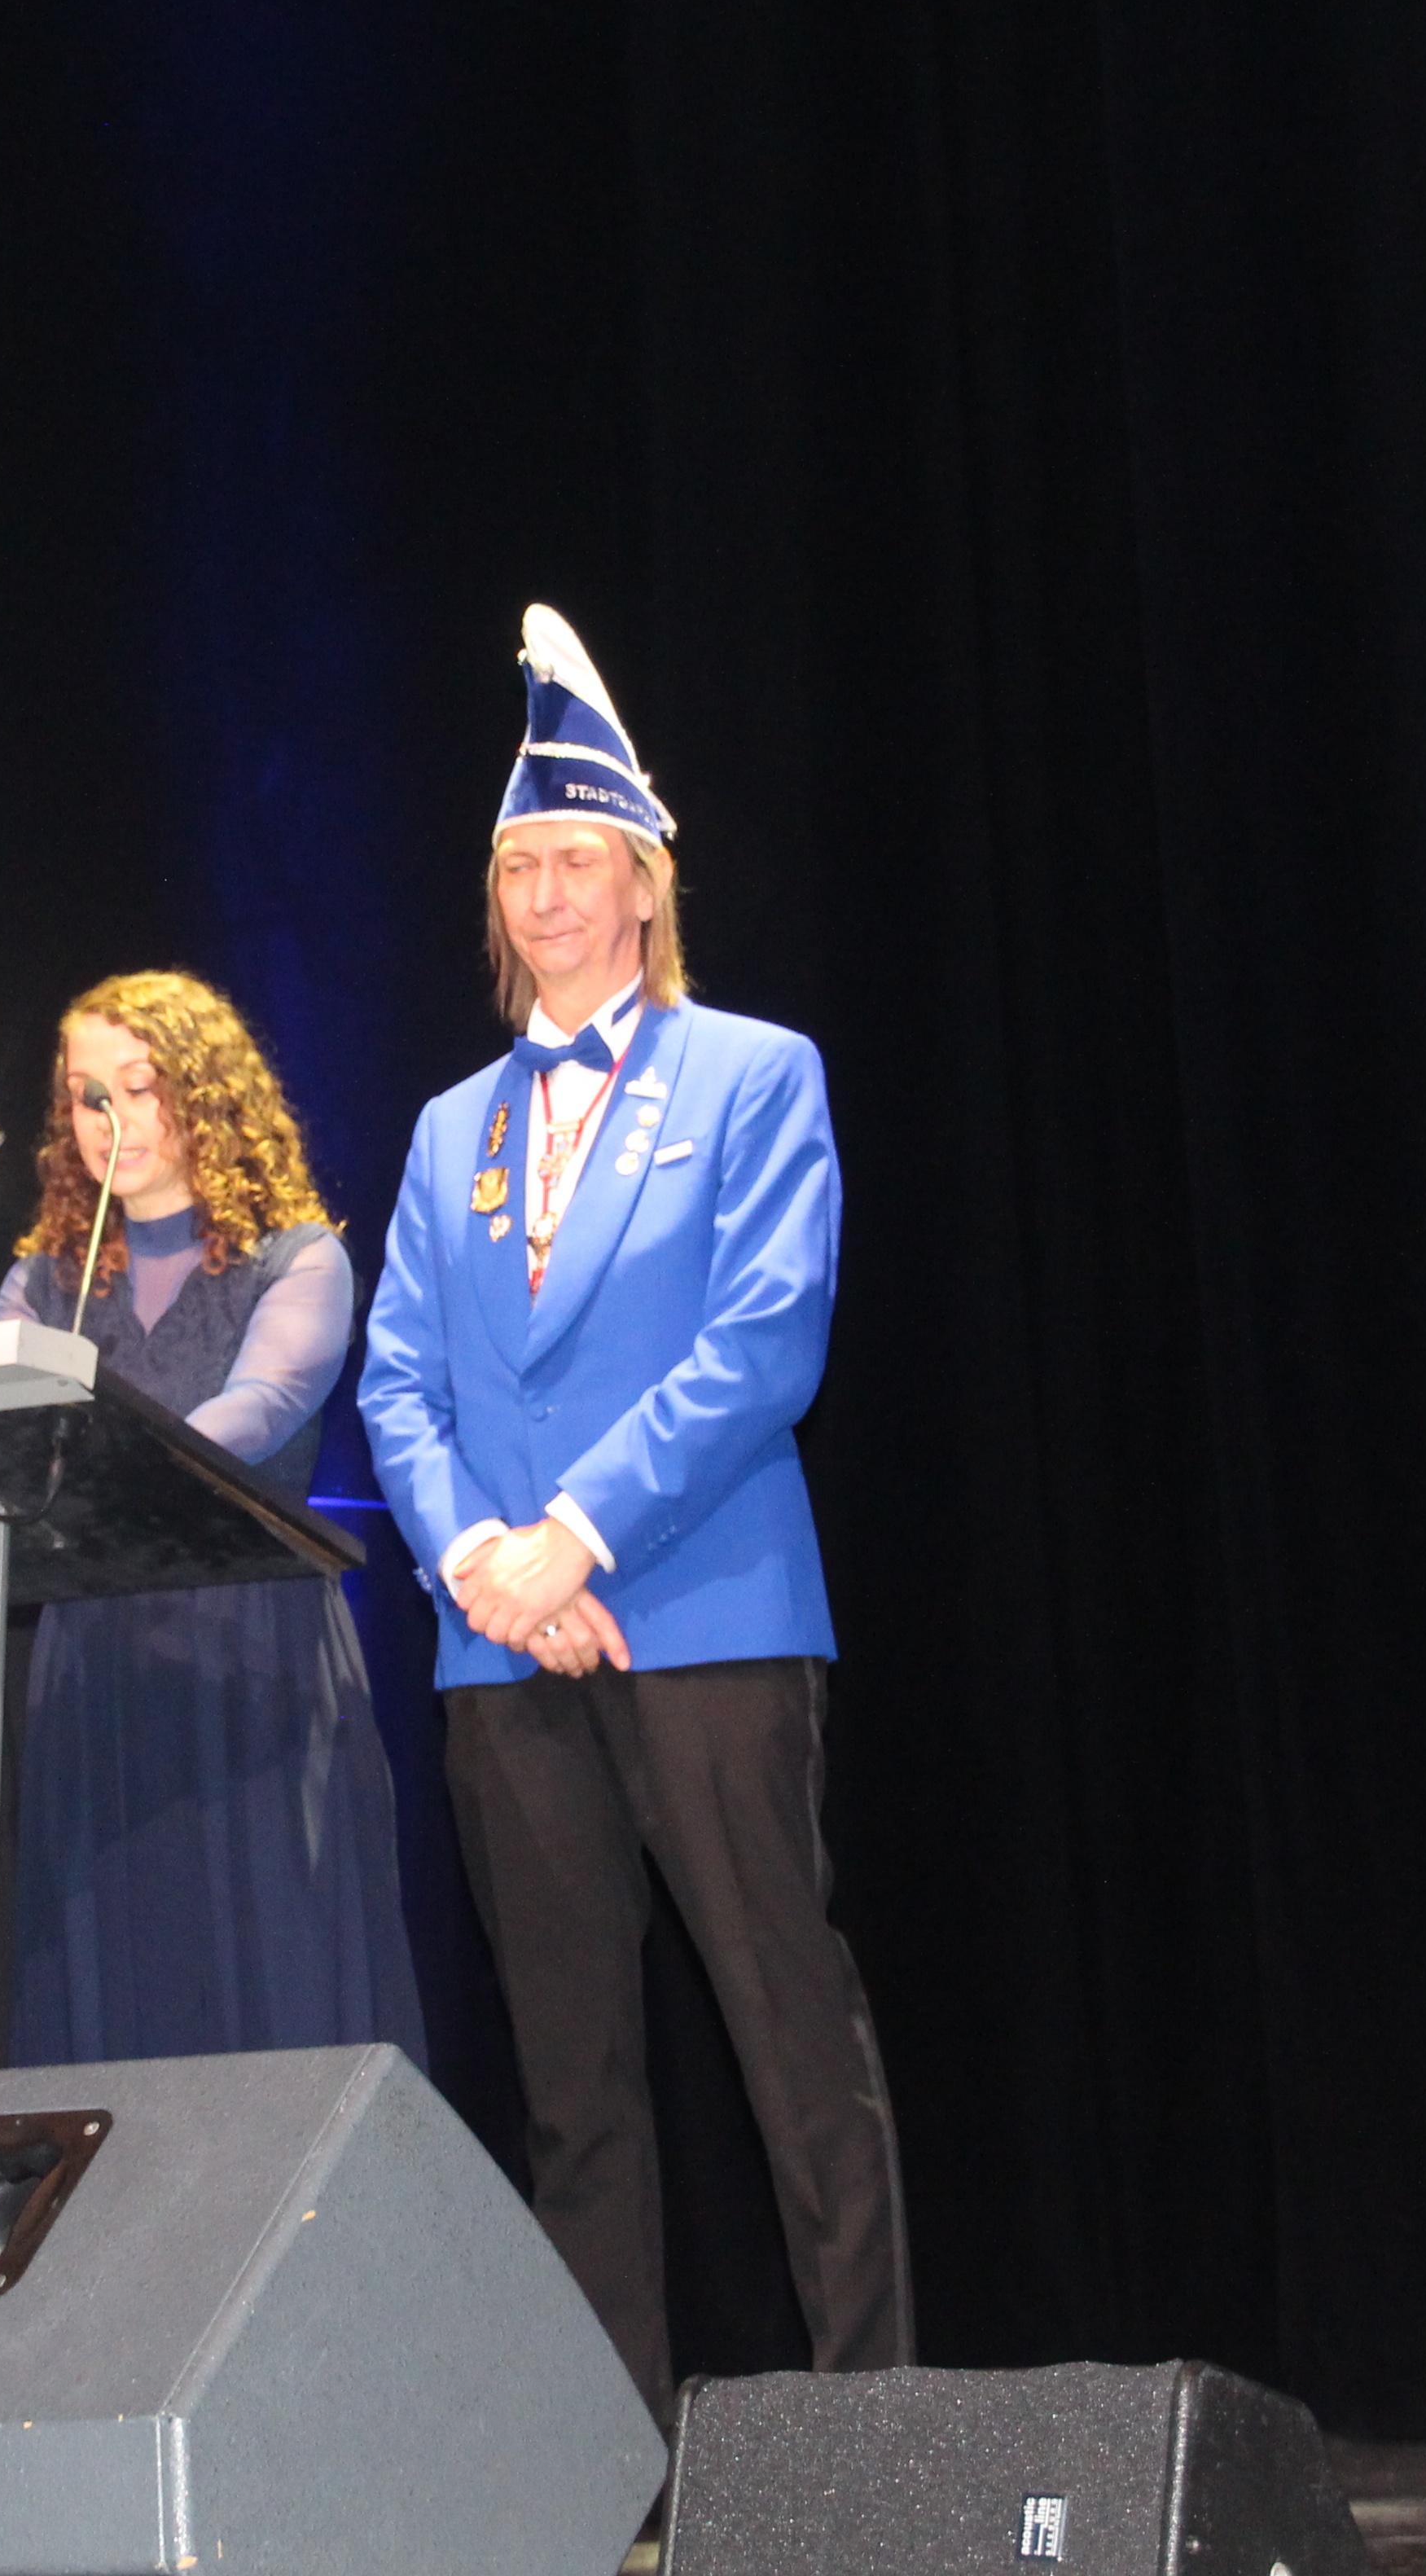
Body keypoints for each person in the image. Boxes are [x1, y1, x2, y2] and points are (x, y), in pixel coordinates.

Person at [358, 605, 910, 2411]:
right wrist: (483, 1565)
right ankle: (620, 2475)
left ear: (645, 884)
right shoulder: (449, 1129)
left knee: (790, 2051)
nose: (546, 895)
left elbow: (766, 1344)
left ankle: (865, 2443)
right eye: (519, 866)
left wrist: (573, 1539)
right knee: (572, 2088)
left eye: (577, 860)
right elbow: (398, 1382)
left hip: (703, 1617)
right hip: (500, 1651)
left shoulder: (755, 1073)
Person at [0, 970, 428, 2070]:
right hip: (94, 1666)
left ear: (207, 1094)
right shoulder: (42, 1282)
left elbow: (263, 1407)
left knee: (273, 1984)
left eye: (141, 1088)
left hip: (255, 1659)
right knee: (109, 1988)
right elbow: (3, 1437)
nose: (112, 1121)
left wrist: (98, 1464)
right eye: (88, 1097)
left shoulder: (301, 1257)